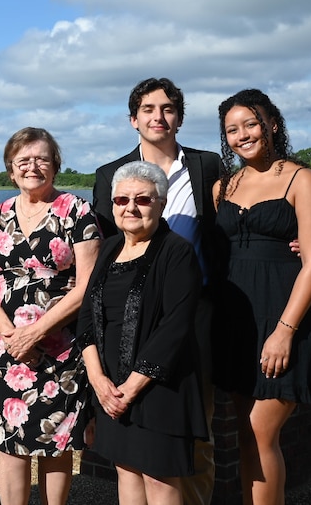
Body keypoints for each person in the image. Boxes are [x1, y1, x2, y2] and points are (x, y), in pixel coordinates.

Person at [92, 77, 220, 505]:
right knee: (131, 457)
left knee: (192, 433)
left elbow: (233, 224)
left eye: (167, 109)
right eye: (148, 109)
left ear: (179, 118)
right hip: (127, 314)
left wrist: (291, 239)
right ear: (134, 119)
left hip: (192, 312)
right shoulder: (111, 175)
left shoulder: (208, 166)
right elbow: (103, 248)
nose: (158, 117)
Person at [212, 89, 311, 504]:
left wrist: (284, 331)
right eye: (232, 129)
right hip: (236, 322)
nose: (242, 134)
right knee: (244, 435)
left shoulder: (303, 179)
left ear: (272, 124)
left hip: (284, 318)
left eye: (251, 123)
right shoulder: (223, 186)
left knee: (261, 432)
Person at [0, 127, 100, 505]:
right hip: (7, 348)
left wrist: (36, 334)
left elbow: (86, 286)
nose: (33, 167)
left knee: (55, 444)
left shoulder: (77, 211)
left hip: (60, 349)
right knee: (10, 443)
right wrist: (13, 336)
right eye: (23, 160)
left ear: (56, 166)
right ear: (10, 170)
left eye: (42, 159)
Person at [79, 161, 208, 505]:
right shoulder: (108, 249)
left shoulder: (176, 251)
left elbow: (175, 327)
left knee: (158, 480)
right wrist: (98, 381)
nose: (130, 207)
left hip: (158, 389)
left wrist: (129, 390)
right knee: (126, 473)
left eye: (143, 200)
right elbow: (87, 319)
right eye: (121, 200)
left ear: (161, 203)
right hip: (110, 388)